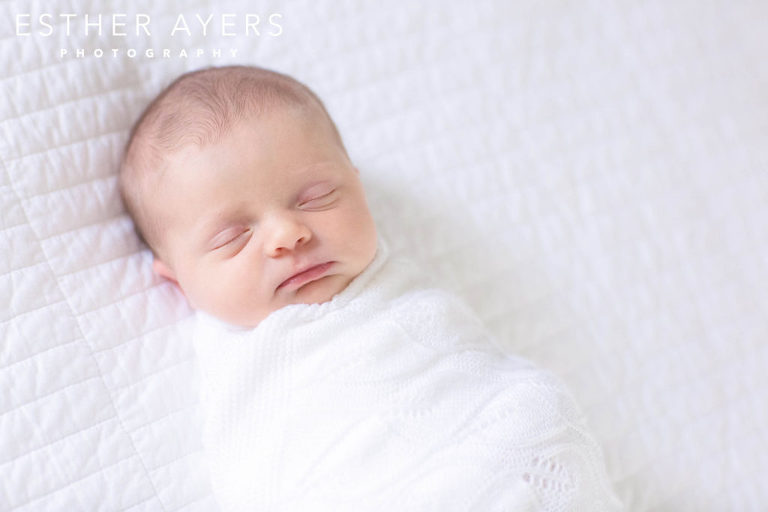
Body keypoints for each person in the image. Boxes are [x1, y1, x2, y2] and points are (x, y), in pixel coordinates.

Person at [119, 65, 623, 511]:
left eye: (316, 197)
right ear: (177, 280)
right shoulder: (239, 372)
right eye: (233, 236)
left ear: (356, 184)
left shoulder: (394, 284)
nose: (286, 234)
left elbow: (476, 379)